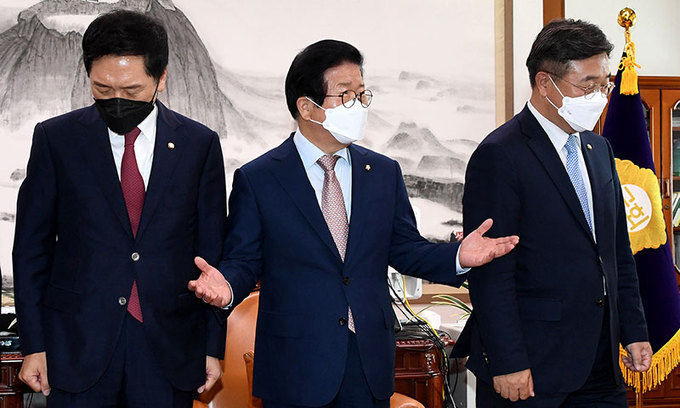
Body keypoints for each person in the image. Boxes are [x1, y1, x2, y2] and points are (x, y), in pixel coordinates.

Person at [187, 39, 519, 408]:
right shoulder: (259, 178)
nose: (358, 105)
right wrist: (227, 287)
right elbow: (244, 260)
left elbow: (406, 249)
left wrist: (458, 256)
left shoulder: (382, 173)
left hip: (368, 361)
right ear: (306, 107)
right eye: (345, 95)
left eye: (362, 94)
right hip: (295, 366)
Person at [12, 10, 226, 407]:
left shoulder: (199, 145)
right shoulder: (56, 140)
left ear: (161, 79)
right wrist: (34, 344)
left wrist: (213, 346)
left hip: (168, 345)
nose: (116, 101)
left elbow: (212, 253)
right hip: (78, 344)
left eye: (131, 90)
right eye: (102, 88)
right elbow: (31, 250)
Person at [454, 19, 652, 407]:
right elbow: (492, 272)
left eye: (605, 85)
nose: (600, 97)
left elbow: (617, 252)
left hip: (601, 361)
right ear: (545, 83)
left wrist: (634, 329)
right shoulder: (501, 154)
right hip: (532, 363)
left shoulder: (599, 149)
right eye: (587, 86)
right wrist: (508, 360)